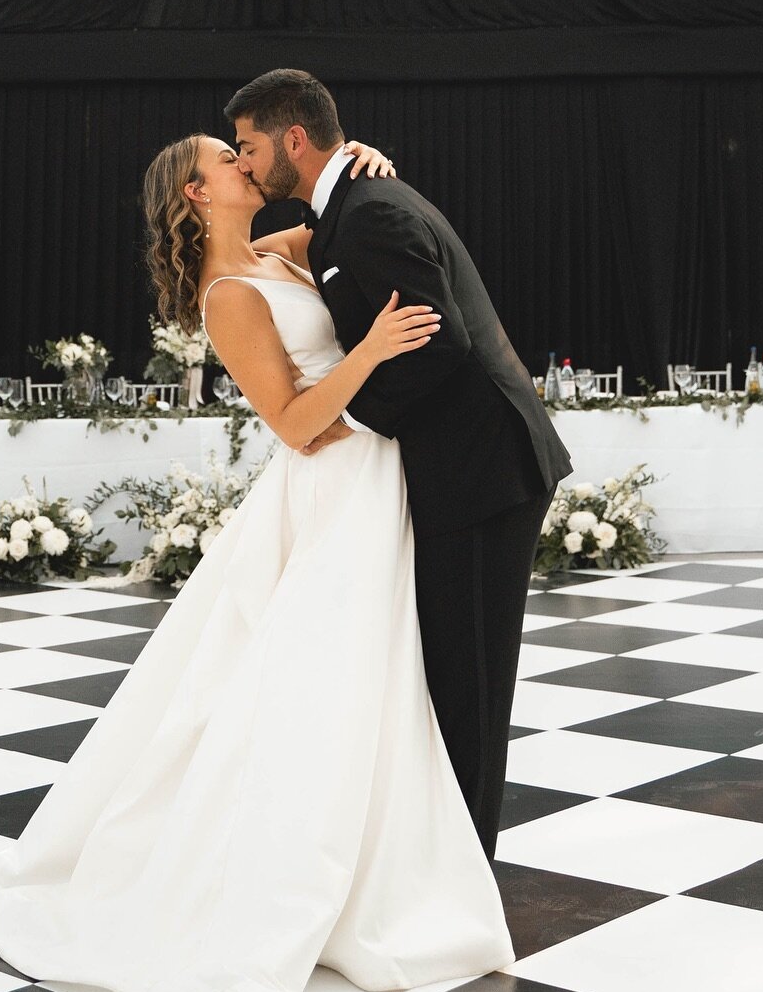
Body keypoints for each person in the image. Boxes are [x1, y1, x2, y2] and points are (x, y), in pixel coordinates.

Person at [0, 132, 515, 992]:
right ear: (197, 193)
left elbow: (336, 215)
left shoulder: (280, 250)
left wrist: (361, 160)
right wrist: (373, 350)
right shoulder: (227, 296)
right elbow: (296, 424)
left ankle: (384, 872)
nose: (246, 164)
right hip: (333, 488)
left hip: (377, 479)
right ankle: (289, 884)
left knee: (376, 684)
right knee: (315, 687)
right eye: (230, 157)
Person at [227, 70, 573, 854]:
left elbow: (439, 347)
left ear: (292, 139)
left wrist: (339, 418)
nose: (245, 163)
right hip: (460, 470)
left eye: (249, 147)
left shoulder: (371, 212)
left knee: (470, 686)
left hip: (483, 474)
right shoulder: (347, 209)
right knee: (445, 675)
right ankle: (436, 859)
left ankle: (464, 874)